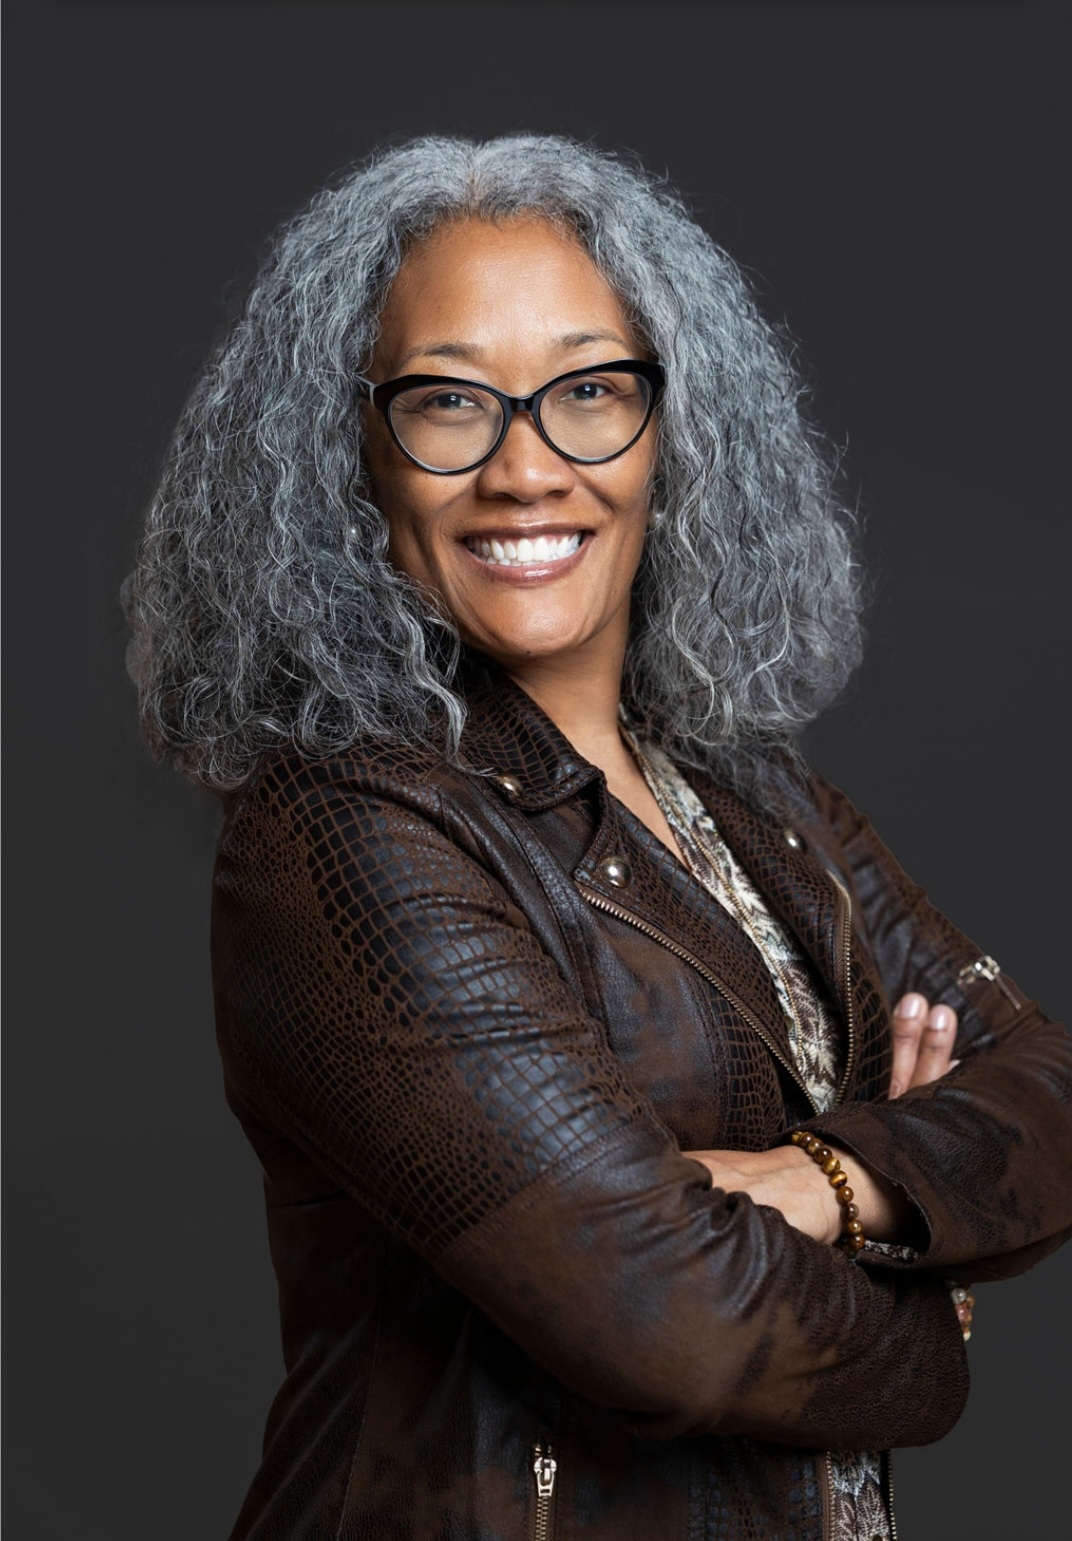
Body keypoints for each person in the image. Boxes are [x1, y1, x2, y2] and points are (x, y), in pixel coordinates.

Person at [123, 135, 1072, 1540]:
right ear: (352, 456)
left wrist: (827, 1180)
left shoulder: (757, 798)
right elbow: (669, 1321)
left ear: (673, 429)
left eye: (589, 391)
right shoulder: (346, 833)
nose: (526, 468)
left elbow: (1050, 1089)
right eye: (449, 402)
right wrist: (928, 1272)